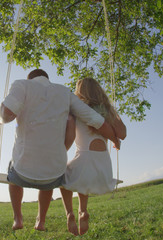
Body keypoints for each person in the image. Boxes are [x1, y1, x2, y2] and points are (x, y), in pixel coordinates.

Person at [0, 69, 119, 231]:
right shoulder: (64, 92)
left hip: (22, 172)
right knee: (49, 181)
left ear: (30, 79)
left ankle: (18, 218)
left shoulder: (22, 85)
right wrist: (114, 138)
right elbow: (93, 118)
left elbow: (7, 114)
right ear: (47, 78)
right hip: (52, 175)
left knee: (13, 177)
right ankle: (41, 221)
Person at [60, 77, 127, 236]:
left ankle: (70, 214)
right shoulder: (107, 110)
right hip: (104, 166)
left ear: (79, 91)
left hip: (84, 158)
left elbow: (68, 134)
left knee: (62, 179)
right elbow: (123, 134)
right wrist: (112, 115)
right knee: (83, 180)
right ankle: (83, 211)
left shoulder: (76, 109)